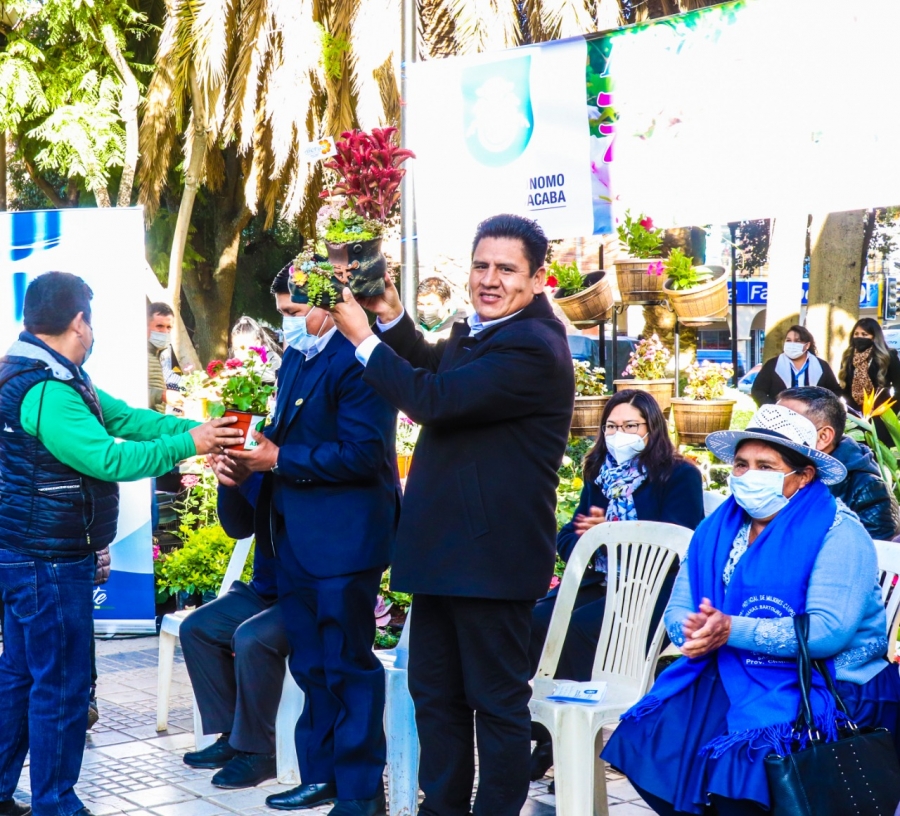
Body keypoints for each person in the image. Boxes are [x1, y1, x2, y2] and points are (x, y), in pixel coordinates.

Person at [330, 213, 575, 816]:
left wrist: (363, 339)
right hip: (444, 553)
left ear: (539, 277)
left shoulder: (535, 346)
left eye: (506, 269)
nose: (489, 280)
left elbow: (434, 399)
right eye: (481, 265)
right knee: (434, 696)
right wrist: (389, 314)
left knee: (495, 705)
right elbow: (438, 368)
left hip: (492, 558)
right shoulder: (482, 331)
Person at [0, 272, 242, 816]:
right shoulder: (43, 390)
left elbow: (129, 420)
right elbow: (108, 458)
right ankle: (56, 803)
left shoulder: (58, 375)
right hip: (46, 560)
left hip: (34, 554)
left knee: (19, 675)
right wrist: (191, 444)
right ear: (79, 321)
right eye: (92, 320)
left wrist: (200, 428)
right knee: (62, 684)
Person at [601, 404, 900, 815]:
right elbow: (682, 604)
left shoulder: (839, 532)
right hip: (731, 667)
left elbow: (828, 631)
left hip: (829, 682)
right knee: (650, 735)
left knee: (747, 761)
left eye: (765, 465)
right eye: (741, 464)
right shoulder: (717, 528)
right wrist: (692, 632)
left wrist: (729, 631)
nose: (747, 476)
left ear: (802, 477)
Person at [212, 262, 399, 816]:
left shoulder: (359, 358)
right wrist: (247, 461)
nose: (287, 325)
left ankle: (363, 792)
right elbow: (282, 434)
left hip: (345, 538)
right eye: (282, 314)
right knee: (311, 664)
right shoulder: (298, 356)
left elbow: (366, 455)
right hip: (292, 534)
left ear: (326, 305)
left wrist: (278, 458)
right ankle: (320, 776)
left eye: (295, 312)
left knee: (347, 665)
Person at [528, 389, 704, 780]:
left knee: (580, 630)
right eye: (611, 426)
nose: (619, 433)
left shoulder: (679, 475)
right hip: (603, 581)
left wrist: (617, 533)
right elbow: (569, 537)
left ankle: (575, 737)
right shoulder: (599, 473)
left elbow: (683, 542)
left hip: (653, 590)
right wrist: (593, 538)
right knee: (537, 618)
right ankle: (544, 731)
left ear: (651, 428)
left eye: (630, 426)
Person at [179, 471, 289, 790]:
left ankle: (259, 751)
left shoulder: (303, 453)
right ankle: (232, 736)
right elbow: (238, 527)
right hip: (265, 591)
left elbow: (286, 516)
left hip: (310, 593)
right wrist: (228, 480)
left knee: (252, 638)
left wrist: (248, 476)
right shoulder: (265, 446)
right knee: (199, 629)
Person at [778, 385, 900, 540]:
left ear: (823, 437)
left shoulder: (868, 490)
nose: (771, 433)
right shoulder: (770, 471)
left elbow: (872, 556)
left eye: (783, 426)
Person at [839, 316, 900, 446]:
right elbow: (844, 388)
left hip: (881, 415)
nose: (859, 337)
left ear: (874, 337)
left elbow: (898, 386)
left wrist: (891, 410)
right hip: (855, 415)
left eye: (864, 334)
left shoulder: (887, 357)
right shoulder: (848, 358)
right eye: (856, 334)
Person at [750, 324, 839, 406]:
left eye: (797, 341)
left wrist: (823, 408)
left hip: (813, 418)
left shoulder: (821, 366)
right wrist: (772, 407)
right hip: (781, 416)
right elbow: (758, 390)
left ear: (807, 345)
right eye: (788, 340)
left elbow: (835, 391)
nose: (792, 344)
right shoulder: (773, 365)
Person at [147, 302, 183, 413]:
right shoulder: (137, 355)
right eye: (159, 326)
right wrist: (162, 395)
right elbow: (128, 392)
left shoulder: (159, 355)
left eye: (169, 327)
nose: (165, 331)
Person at [416, 276, 459, 341]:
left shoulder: (459, 330)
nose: (425, 309)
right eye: (420, 304)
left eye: (430, 304)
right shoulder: (414, 327)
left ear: (446, 303)